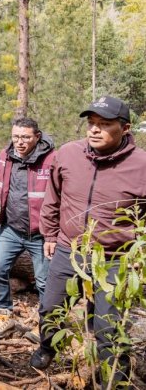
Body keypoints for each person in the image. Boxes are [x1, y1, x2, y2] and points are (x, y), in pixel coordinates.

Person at [31, 96, 146, 388]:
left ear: (125, 128)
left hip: (115, 259)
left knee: (109, 326)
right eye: (91, 123)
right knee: (51, 307)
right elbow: (52, 196)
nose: (94, 130)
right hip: (70, 249)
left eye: (104, 125)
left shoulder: (141, 165)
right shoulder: (69, 154)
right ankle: (47, 348)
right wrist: (50, 233)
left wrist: (138, 251)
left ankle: (113, 376)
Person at [0, 118, 55, 340]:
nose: (20, 142)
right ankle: (5, 316)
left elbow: (61, 195)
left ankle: (45, 324)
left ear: (37, 136)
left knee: (44, 281)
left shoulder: (52, 160)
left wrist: (54, 232)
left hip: (41, 234)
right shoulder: (5, 156)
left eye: (25, 137)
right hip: (11, 228)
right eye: (16, 136)